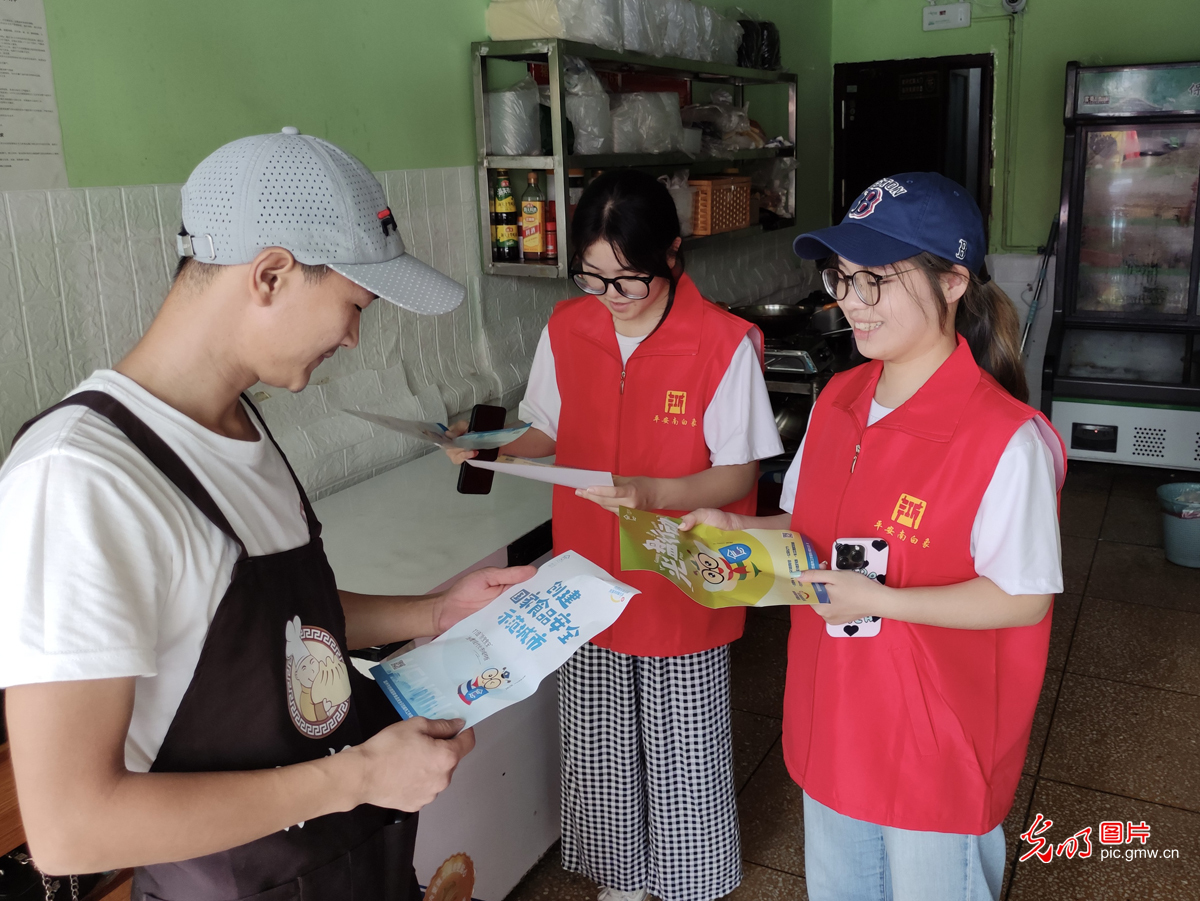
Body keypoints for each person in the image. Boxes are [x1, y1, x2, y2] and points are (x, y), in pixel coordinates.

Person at [0, 128, 537, 901]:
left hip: (347, 866)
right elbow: (70, 824)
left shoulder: (241, 424)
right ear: (272, 274)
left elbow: (269, 628)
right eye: (353, 305)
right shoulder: (81, 480)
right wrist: (355, 774)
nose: (353, 336)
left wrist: (429, 611)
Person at [683, 173, 1065, 901]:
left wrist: (881, 600)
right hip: (835, 724)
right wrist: (739, 526)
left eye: (876, 282)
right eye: (842, 278)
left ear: (953, 282)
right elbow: (805, 527)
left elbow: (1022, 600)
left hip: (931, 750)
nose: (850, 303)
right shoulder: (840, 399)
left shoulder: (1003, 438)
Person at [445, 169, 783, 901]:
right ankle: (620, 877)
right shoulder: (569, 328)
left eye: (627, 280)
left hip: (679, 570)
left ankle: (689, 878)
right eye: (591, 278)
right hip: (587, 572)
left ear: (672, 255)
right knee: (598, 737)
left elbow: (737, 472)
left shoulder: (721, 344)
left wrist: (655, 493)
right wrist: (489, 447)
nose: (608, 298)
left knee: (682, 739)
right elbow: (546, 431)